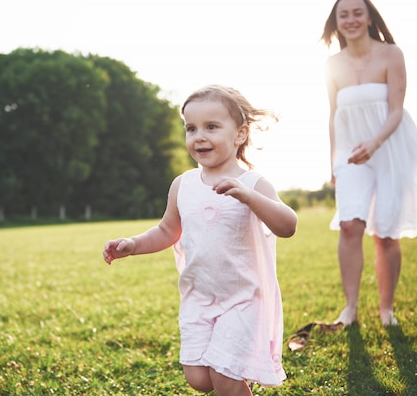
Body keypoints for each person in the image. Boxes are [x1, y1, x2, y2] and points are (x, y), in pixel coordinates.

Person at [103, 84, 297, 394]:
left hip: (243, 298)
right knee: (199, 380)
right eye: (190, 128)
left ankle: (233, 380)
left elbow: (288, 225)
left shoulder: (253, 183)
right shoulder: (184, 184)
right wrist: (133, 245)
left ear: (240, 134)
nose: (199, 136)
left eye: (211, 127)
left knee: (224, 376)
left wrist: (249, 198)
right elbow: (168, 231)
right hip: (199, 298)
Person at [321, 0, 417, 327]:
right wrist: (333, 160)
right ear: (336, 23)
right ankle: (350, 309)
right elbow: (332, 113)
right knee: (350, 225)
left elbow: (396, 111)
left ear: (369, 18)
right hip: (351, 156)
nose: (350, 20)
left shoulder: (391, 54)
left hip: (391, 147)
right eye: (343, 15)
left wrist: (375, 142)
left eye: (357, 13)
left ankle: (386, 309)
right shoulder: (332, 65)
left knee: (385, 232)